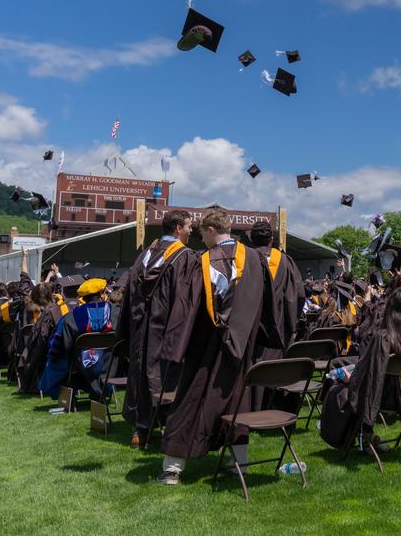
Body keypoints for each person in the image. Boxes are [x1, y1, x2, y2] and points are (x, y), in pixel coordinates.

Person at [157, 208, 266, 486]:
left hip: (206, 349)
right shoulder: (254, 258)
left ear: (211, 231)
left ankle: (172, 469)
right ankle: (238, 463)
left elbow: (187, 308)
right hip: (241, 348)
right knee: (238, 401)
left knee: (191, 400)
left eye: (202, 234)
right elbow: (267, 305)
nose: (200, 239)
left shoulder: (202, 261)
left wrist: (177, 344)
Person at [119, 209, 202, 448]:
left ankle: (140, 429)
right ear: (178, 229)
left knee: (140, 373)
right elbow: (186, 300)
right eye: (188, 226)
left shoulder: (145, 255)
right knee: (167, 375)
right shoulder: (185, 257)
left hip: (141, 329)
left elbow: (129, 297)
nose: (191, 230)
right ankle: (169, 425)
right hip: (168, 331)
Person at [319, 284, 401, 451]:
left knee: (337, 392)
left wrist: (350, 379)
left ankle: (361, 437)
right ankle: (368, 438)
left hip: (384, 398)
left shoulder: (384, 337)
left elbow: (369, 376)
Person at [248, 219, 305, 411]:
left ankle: (251, 407)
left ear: (251, 239)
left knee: (252, 362)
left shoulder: (245, 258)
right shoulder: (285, 261)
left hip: (251, 324)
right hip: (278, 325)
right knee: (274, 362)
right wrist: (290, 320)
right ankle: (273, 404)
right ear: (271, 239)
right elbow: (298, 294)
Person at [37, 278, 117, 400]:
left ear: (83, 298)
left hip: (80, 366)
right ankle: (103, 389)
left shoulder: (71, 316)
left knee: (56, 361)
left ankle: (65, 393)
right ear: (102, 294)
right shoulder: (116, 312)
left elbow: (62, 346)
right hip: (110, 365)